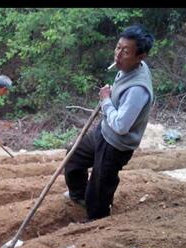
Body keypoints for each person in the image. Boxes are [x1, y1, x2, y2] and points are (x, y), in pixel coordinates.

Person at [64, 24, 155, 221]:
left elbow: (122, 126)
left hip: (116, 144)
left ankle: (97, 223)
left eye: (126, 51)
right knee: (73, 157)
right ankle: (79, 196)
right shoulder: (126, 66)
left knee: (99, 187)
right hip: (104, 131)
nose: (118, 55)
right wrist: (111, 97)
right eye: (118, 48)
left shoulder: (138, 89)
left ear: (140, 57)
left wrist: (105, 100)